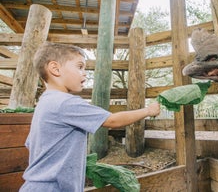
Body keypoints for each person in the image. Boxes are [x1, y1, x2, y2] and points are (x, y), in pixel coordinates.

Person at [19, 41, 160, 192]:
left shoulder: (45, 102)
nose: (85, 73)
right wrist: (148, 111)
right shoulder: (65, 102)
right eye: (79, 66)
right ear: (55, 68)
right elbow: (112, 121)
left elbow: (33, 145)